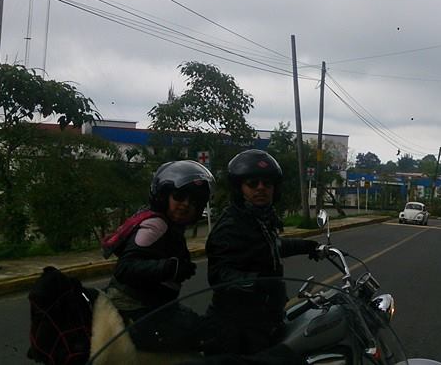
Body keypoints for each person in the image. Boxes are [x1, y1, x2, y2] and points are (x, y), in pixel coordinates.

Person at [205, 149, 325, 355]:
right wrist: (256, 281)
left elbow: (272, 246)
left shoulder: (258, 218)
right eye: (252, 183)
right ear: (239, 188)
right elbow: (218, 275)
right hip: (238, 329)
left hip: (264, 319)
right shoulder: (231, 225)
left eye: (267, 183)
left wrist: (309, 246)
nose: (261, 188)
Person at [101, 159, 212, 353]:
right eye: (179, 196)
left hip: (157, 305)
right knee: (197, 342)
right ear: (163, 196)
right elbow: (125, 268)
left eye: (193, 201)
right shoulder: (156, 225)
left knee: (203, 331)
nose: (186, 205)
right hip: (133, 306)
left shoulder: (171, 227)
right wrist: (169, 268)